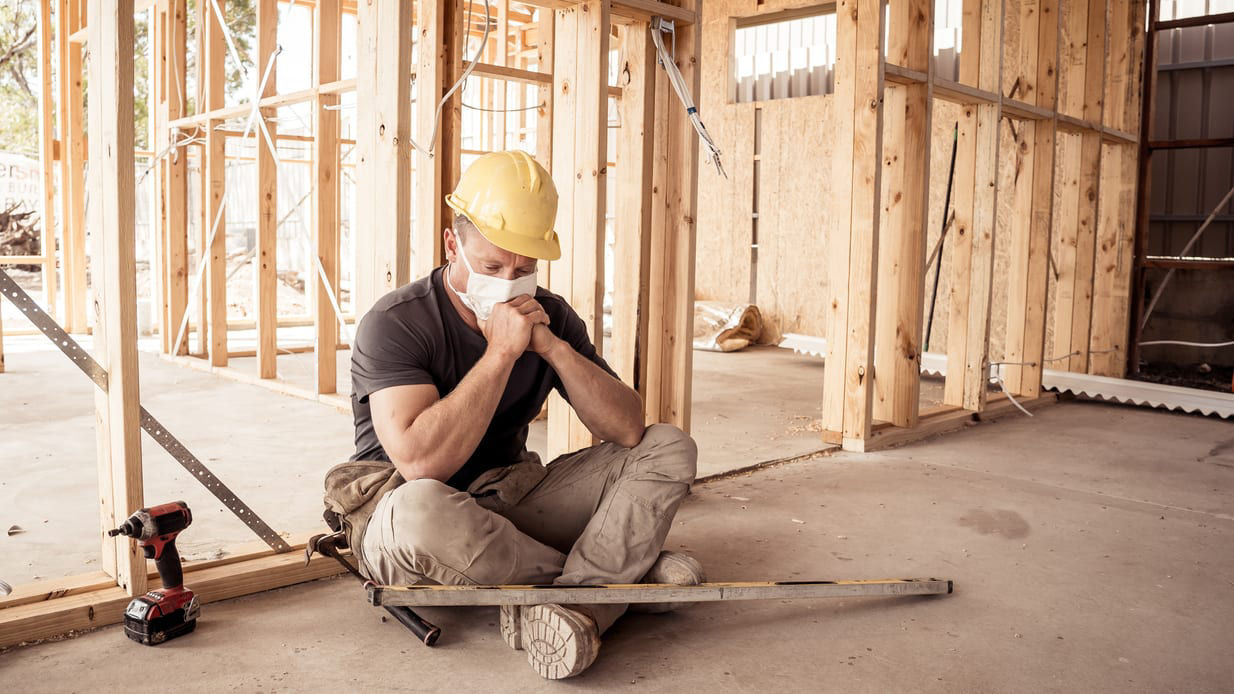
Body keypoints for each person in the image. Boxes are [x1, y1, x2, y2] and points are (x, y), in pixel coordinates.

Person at [343, 150, 702, 679]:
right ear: (452, 244)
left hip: (510, 500)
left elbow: (627, 428)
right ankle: (617, 585)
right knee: (417, 508)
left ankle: (572, 603)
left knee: (669, 445)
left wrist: (553, 349)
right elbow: (420, 463)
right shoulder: (397, 323)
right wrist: (500, 355)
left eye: (524, 269)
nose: (509, 282)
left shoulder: (549, 316)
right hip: (414, 525)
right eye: (491, 267)